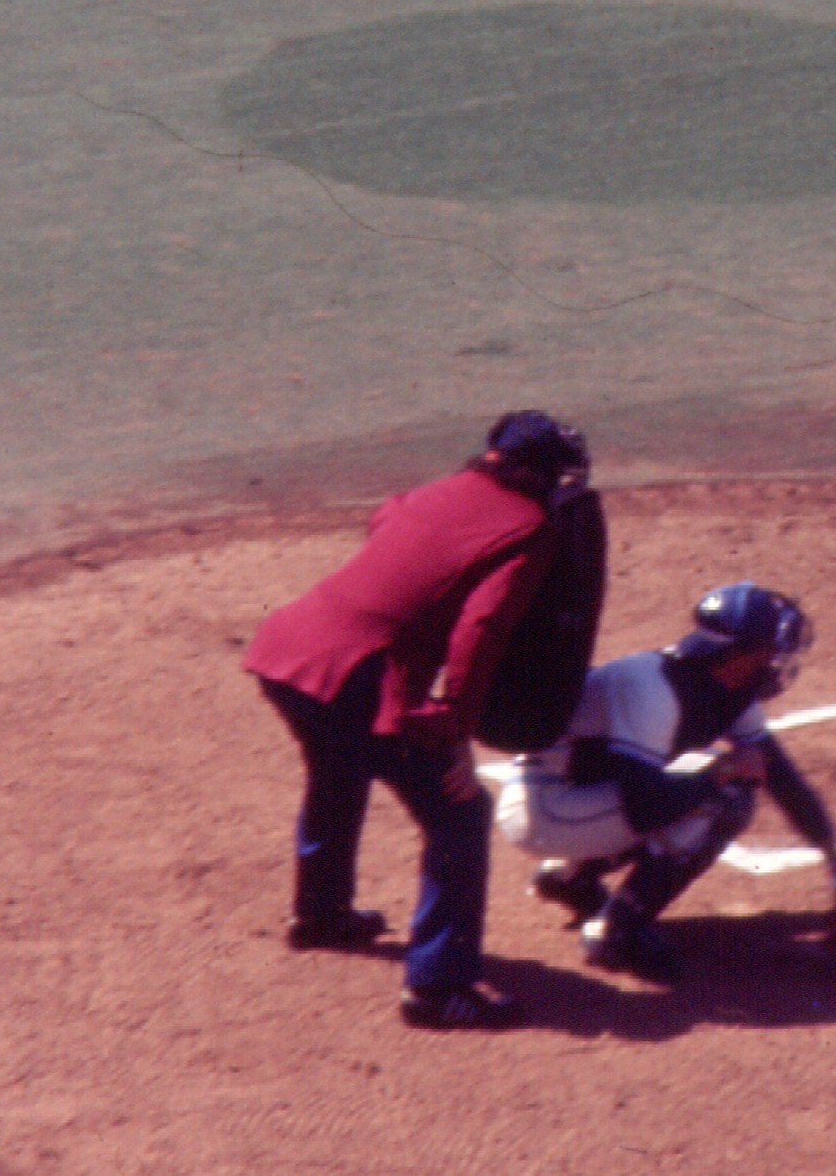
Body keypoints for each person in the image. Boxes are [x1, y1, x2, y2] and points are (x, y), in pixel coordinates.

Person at [244, 411, 590, 1030]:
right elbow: (480, 631)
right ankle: (437, 988)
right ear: (538, 475)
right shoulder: (530, 527)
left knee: (336, 766)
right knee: (459, 813)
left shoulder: (432, 491)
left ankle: (321, 915)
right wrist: (455, 730)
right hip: (357, 674)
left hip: (286, 651)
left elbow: (386, 516)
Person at [491, 581, 836, 985]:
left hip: (580, 797)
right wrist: (723, 772)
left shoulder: (728, 689)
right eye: (770, 650)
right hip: (546, 806)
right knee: (723, 795)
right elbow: (644, 805)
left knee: (714, 778)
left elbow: (781, 777)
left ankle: (570, 877)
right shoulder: (651, 689)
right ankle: (616, 931)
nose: (779, 660)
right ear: (739, 654)